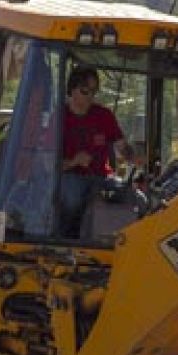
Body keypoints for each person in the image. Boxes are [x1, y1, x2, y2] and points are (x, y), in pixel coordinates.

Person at [57, 66, 136, 237]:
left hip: (101, 178)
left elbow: (122, 147)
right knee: (72, 198)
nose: (90, 97)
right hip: (69, 176)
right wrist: (74, 162)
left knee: (133, 197)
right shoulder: (58, 118)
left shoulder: (103, 115)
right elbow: (47, 165)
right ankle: (65, 239)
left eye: (94, 92)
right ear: (72, 89)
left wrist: (133, 157)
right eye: (85, 91)